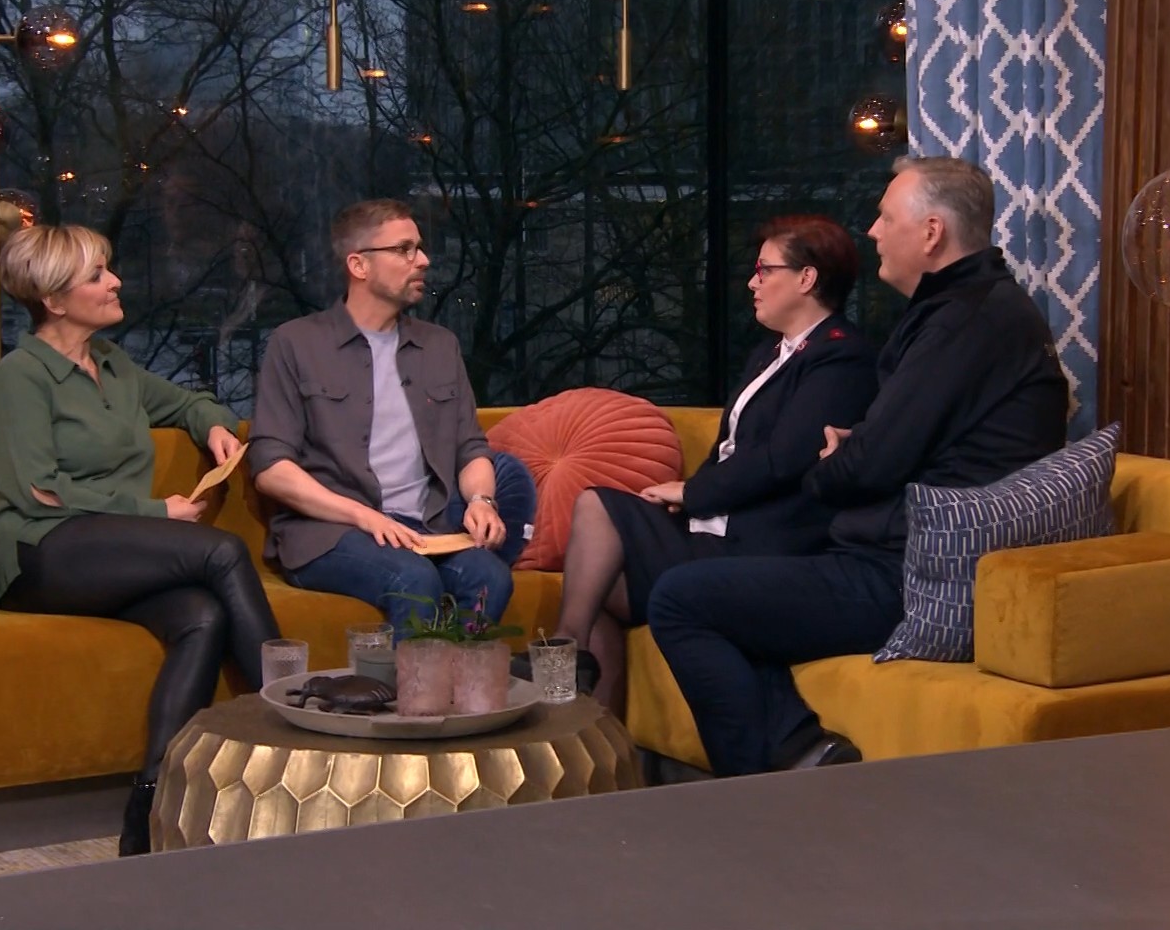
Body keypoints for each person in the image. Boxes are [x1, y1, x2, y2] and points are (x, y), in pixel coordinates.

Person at [648, 156, 1069, 777]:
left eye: (885, 216)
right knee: (715, 587)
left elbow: (865, 467)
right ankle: (797, 748)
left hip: (910, 574)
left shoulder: (966, 321)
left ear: (931, 232)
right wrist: (860, 446)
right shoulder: (966, 311)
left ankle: (760, 789)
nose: (872, 231)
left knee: (681, 598)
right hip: (896, 556)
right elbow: (894, 442)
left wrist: (841, 458)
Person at [0, 224, 281, 857]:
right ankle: (293, 719)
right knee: (221, 551)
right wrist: (154, 511)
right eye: (97, 276)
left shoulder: (113, 365)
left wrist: (215, 425)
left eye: (108, 269)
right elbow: (37, 491)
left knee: (201, 615)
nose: (115, 282)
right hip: (39, 552)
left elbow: (189, 403)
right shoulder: (19, 378)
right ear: (54, 300)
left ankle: (149, 807)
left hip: (110, 551)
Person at [541, 215, 878, 712]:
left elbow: (783, 458)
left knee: (597, 546)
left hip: (764, 544)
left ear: (807, 278)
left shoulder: (842, 358)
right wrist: (690, 497)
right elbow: (730, 448)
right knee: (595, 563)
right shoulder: (770, 353)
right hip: (713, 527)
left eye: (764, 270)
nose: (752, 283)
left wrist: (692, 492)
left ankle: (565, 658)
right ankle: (599, 730)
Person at [247, 198, 518, 631]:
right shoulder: (295, 343)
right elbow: (270, 468)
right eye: (404, 249)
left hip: (425, 530)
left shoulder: (439, 346)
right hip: (330, 533)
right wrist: (363, 515)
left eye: (420, 248)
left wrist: (482, 502)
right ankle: (411, 679)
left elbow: (470, 449)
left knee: (491, 578)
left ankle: (457, 674)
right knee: (413, 580)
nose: (423, 260)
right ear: (359, 265)